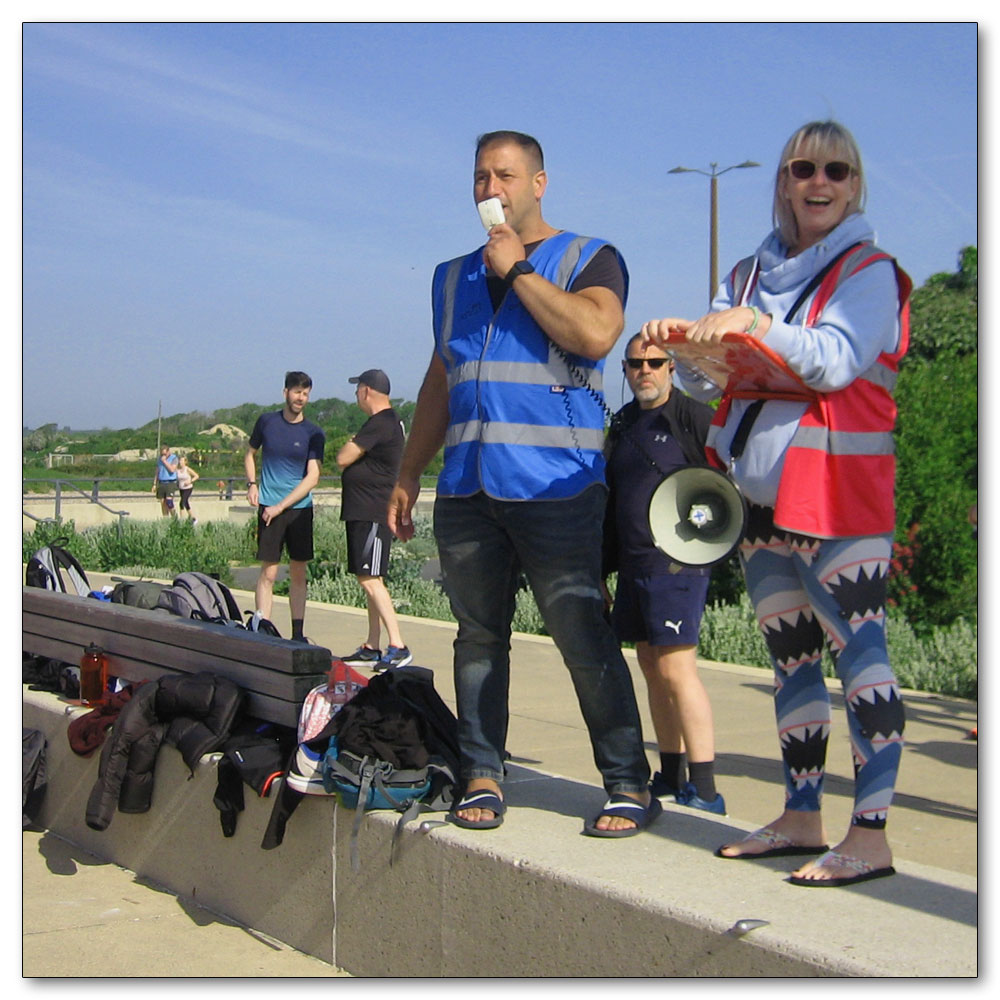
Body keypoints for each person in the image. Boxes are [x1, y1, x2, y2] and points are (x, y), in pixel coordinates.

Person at [642, 121, 911, 887]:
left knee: (861, 658)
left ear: (854, 185)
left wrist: (754, 325)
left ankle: (871, 830)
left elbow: (831, 360)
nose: (818, 182)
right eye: (803, 168)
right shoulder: (750, 273)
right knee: (792, 664)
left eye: (836, 170)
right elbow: (714, 380)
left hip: (839, 502)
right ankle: (800, 815)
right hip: (762, 501)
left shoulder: (870, 271)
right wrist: (687, 349)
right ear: (785, 182)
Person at [387, 130, 657, 837]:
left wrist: (519, 273)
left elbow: (597, 335)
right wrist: (410, 471)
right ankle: (482, 770)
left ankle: (629, 781)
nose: (490, 190)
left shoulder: (588, 256)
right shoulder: (451, 277)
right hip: (469, 488)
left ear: (539, 183)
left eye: (505, 176)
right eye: (480, 177)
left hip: (557, 488)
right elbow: (442, 375)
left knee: (581, 636)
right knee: (477, 637)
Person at [602, 333, 723, 814]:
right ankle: (670, 774)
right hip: (633, 566)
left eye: (655, 362)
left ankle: (707, 788)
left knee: (676, 668)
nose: (644, 371)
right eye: (635, 364)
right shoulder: (623, 423)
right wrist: (600, 573)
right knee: (651, 667)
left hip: (679, 566)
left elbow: (725, 486)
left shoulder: (694, 418)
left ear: (672, 368)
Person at [336, 368, 412, 671]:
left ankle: (398, 644)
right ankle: (372, 644)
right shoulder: (382, 423)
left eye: (358, 389)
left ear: (367, 391)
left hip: (372, 512)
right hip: (361, 510)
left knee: (371, 580)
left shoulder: (382, 422)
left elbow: (343, 457)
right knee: (368, 577)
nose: (356, 395)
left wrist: (353, 442)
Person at [244, 371, 325, 643]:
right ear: (285, 393)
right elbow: (249, 453)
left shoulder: (314, 433)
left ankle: (298, 633)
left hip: (298, 508)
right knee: (269, 571)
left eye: (305, 393)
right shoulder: (266, 422)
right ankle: (262, 626)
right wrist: (252, 484)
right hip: (268, 505)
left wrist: (281, 506)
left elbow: (312, 477)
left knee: (298, 570)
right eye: (296, 391)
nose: (300, 397)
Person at [153, 445, 179, 517]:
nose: (163, 456)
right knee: (163, 502)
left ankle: (174, 517)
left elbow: (172, 470)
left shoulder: (174, 458)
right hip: (162, 482)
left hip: (170, 482)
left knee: (169, 501)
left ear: (168, 451)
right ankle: (165, 518)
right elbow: (157, 471)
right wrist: (154, 483)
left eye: (165, 454)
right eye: (162, 454)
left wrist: (164, 461)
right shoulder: (159, 460)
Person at [176, 455, 200, 525]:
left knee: (181, 503)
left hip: (188, 488)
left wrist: (190, 481)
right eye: (180, 460)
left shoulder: (187, 469)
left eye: (182, 460)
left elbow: (196, 476)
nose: (180, 462)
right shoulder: (178, 470)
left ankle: (181, 520)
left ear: (185, 462)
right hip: (181, 488)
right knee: (186, 503)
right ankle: (193, 518)